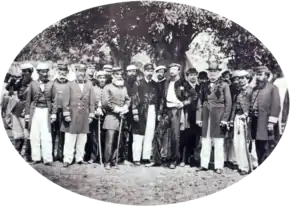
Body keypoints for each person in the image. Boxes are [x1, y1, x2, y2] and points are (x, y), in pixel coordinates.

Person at [197, 63, 232, 174]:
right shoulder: (204, 85)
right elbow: (200, 102)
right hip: (206, 114)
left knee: (218, 141)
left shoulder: (224, 85)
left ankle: (218, 166)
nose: (213, 73)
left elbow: (228, 102)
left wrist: (225, 119)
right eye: (211, 71)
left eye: (215, 71)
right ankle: (204, 164)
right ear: (208, 73)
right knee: (205, 140)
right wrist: (199, 117)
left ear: (219, 73)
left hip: (219, 115)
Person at [61, 64, 96, 167]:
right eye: (79, 71)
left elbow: (92, 102)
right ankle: (67, 159)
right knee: (70, 138)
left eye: (83, 71)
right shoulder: (69, 85)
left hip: (84, 116)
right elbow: (65, 101)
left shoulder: (89, 85)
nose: (81, 73)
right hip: (72, 115)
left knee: (82, 138)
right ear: (75, 72)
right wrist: (66, 114)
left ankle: (79, 158)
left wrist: (91, 115)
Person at [158, 63, 192, 169]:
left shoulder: (184, 83)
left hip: (176, 111)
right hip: (166, 110)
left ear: (178, 70)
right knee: (159, 133)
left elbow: (192, 96)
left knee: (174, 136)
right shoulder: (166, 83)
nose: (172, 71)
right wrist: (160, 113)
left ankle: (174, 160)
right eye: (170, 69)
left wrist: (183, 103)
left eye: (174, 69)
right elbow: (163, 99)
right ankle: (159, 159)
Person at [24, 61, 55, 165]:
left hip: (46, 111)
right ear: (38, 72)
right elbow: (28, 100)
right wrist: (27, 114)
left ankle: (47, 159)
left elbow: (55, 100)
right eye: (42, 72)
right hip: (35, 111)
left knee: (46, 135)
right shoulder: (33, 84)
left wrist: (54, 113)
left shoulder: (51, 84)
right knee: (34, 135)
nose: (44, 74)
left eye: (46, 71)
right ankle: (36, 158)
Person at [248, 66, 281, 165]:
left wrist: (271, 123)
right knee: (258, 143)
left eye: (260, 75)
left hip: (266, 121)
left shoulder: (272, 88)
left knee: (267, 145)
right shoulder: (254, 88)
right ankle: (259, 162)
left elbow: (276, 105)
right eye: (257, 75)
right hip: (255, 120)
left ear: (266, 76)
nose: (258, 77)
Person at [229, 70, 258, 175]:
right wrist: (231, 120)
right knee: (238, 143)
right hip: (237, 118)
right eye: (239, 78)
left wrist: (246, 115)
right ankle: (242, 165)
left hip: (247, 120)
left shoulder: (251, 90)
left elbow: (254, 105)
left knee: (248, 143)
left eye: (243, 78)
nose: (240, 80)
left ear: (248, 79)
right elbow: (234, 107)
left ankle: (250, 165)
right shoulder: (238, 91)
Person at [102, 67, 130, 169]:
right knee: (110, 140)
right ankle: (107, 162)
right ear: (113, 76)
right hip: (111, 117)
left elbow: (127, 99)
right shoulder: (107, 87)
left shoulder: (124, 88)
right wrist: (117, 109)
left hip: (121, 117)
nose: (119, 76)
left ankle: (114, 160)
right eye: (116, 74)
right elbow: (106, 103)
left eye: (120, 74)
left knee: (119, 140)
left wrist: (126, 107)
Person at [131, 63, 158, 166]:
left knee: (149, 134)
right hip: (141, 111)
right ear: (144, 71)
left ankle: (146, 157)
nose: (149, 72)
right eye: (147, 70)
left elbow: (158, 99)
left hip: (152, 110)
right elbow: (134, 98)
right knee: (138, 134)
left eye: (151, 71)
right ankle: (136, 158)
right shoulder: (138, 83)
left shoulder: (155, 84)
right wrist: (135, 112)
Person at [7, 62, 33, 161]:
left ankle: (28, 154)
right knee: (17, 134)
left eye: (26, 71)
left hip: (27, 109)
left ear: (31, 71)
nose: (24, 73)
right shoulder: (18, 81)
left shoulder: (33, 83)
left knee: (28, 133)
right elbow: (9, 91)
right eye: (23, 71)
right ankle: (18, 152)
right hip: (17, 108)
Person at [179, 67, 201, 167]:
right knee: (184, 136)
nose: (193, 77)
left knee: (195, 136)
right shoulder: (183, 87)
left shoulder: (200, 87)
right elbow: (179, 99)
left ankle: (193, 159)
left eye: (194, 75)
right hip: (186, 113)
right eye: (190, 75)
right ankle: (183, 159)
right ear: (187, 76)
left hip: (197, 115)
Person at [85, 70, 107, 164]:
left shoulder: (108, 88)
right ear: (97, 79)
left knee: (105, 137)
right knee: (94, 137)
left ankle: (104, 156)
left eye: (104, 77)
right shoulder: (93, 88)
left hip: (106, 115)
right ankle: (93, 156)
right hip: (95, 116)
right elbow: (89, 102)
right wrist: (94, 111)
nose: (102, 80)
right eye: (100, 78)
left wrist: (104, 110)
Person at [51, 61, 70, 162]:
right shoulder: (52, 83)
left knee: (63, 134)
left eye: (64, 71)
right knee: (53, 133)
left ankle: (61, 155)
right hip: (54, 112)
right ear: (57, 71)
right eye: (60, 70)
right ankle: (51, 155)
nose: (62, 72)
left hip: (65, 113)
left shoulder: (70, 83)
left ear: (67, 72)